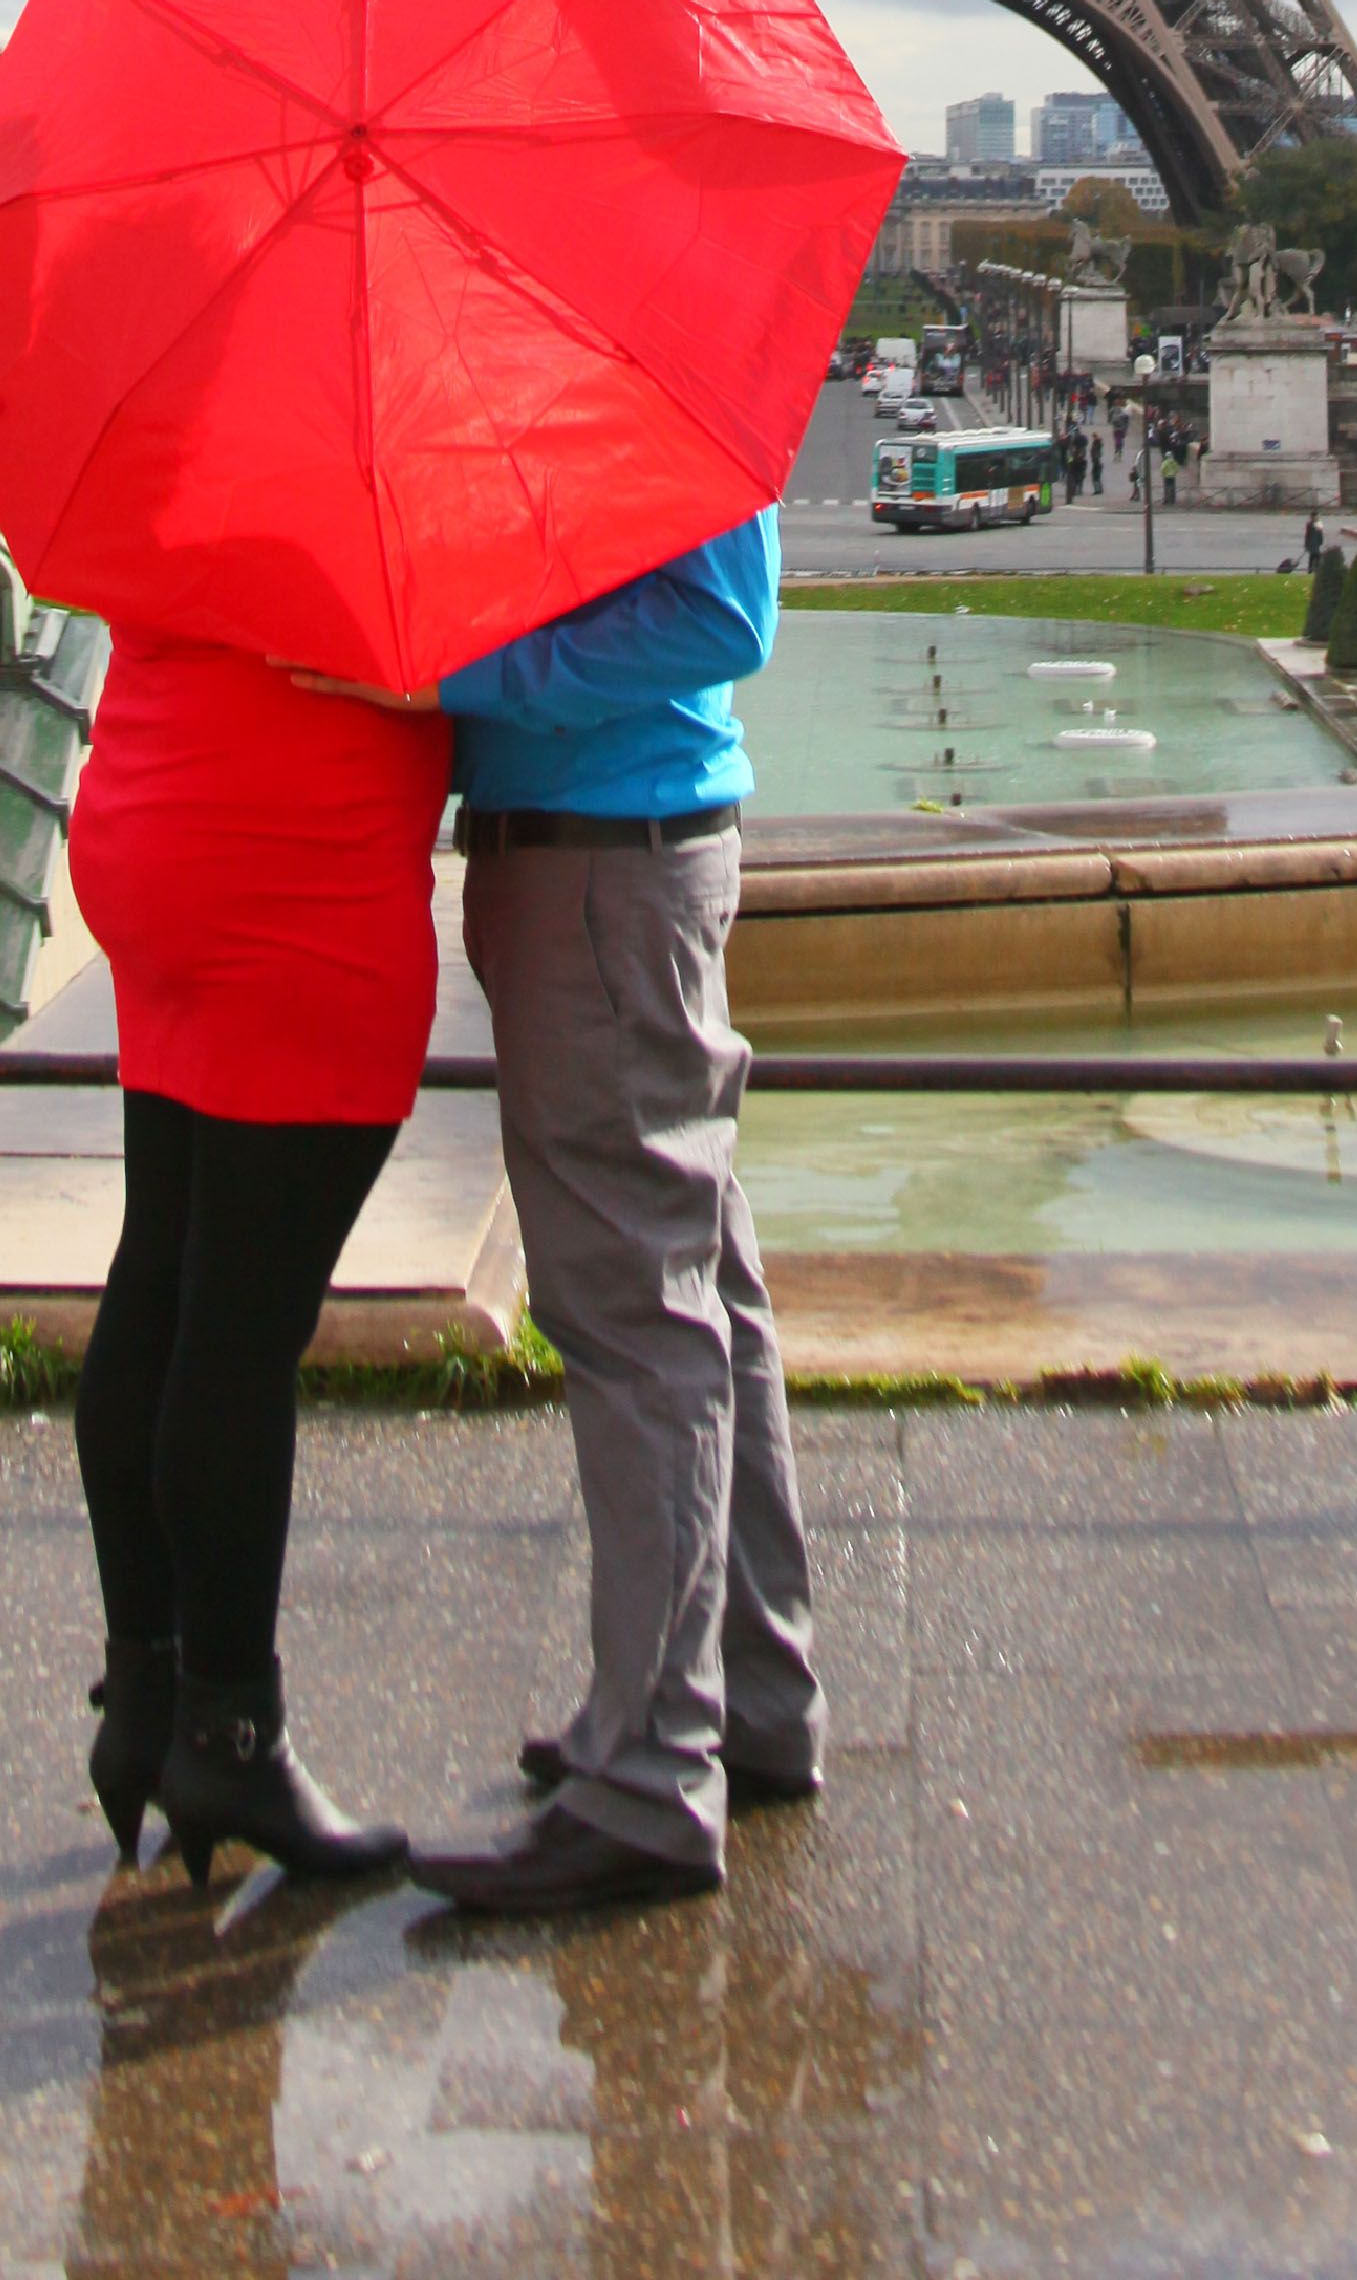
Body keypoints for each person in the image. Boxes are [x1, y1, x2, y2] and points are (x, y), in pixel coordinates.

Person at [405, 506, 819, 1918]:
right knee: (704, 1286)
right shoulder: (636, 343)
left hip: (605, 861)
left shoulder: (648, 343)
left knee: (637, 1317)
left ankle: (652, 1771)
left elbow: (721, 618)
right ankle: (746, 1695)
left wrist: (456, 678)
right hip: (612, 853)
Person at [66, 619, 448, 1891]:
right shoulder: (354, 430)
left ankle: (150, 1688)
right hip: (293, 850)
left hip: (155, 799)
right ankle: (231, 1734)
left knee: (162, 1272)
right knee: (239, 1332)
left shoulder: (181, 420)